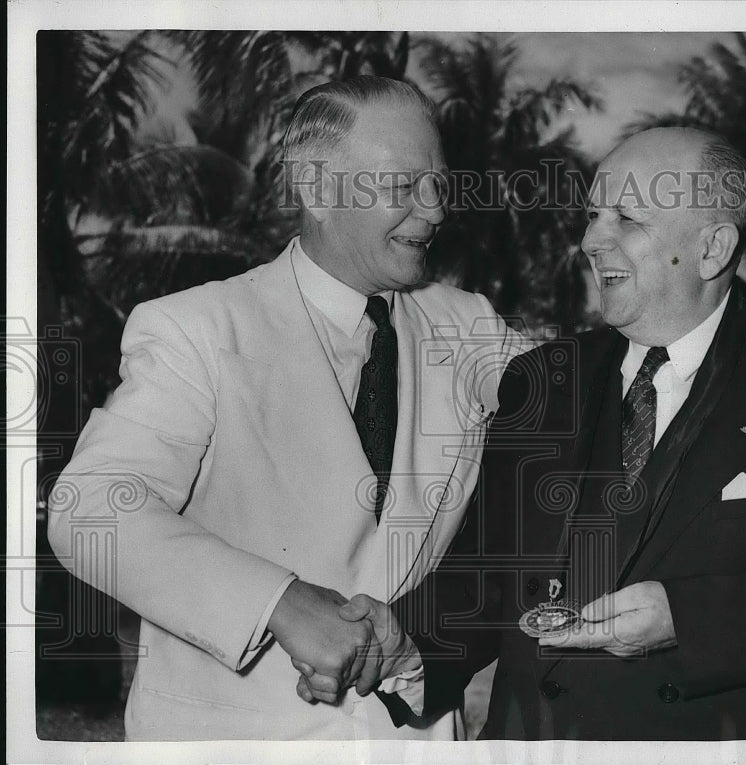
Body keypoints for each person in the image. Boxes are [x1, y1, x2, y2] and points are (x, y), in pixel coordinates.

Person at [309, 126, 746, 740]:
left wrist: (688, 619)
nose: (589, 240)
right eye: (592, 216)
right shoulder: (542, 380)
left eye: (625, 220)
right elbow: (489, 574)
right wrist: (409, 642)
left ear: (712, 249)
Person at [46, 76, 528, 740]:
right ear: (317, 189)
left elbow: (592, 395)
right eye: (404, 186)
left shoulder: (470, 323)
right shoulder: (197, 328)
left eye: (439, 184)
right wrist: (277, 601)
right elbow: (90, 507)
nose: (436, 209)